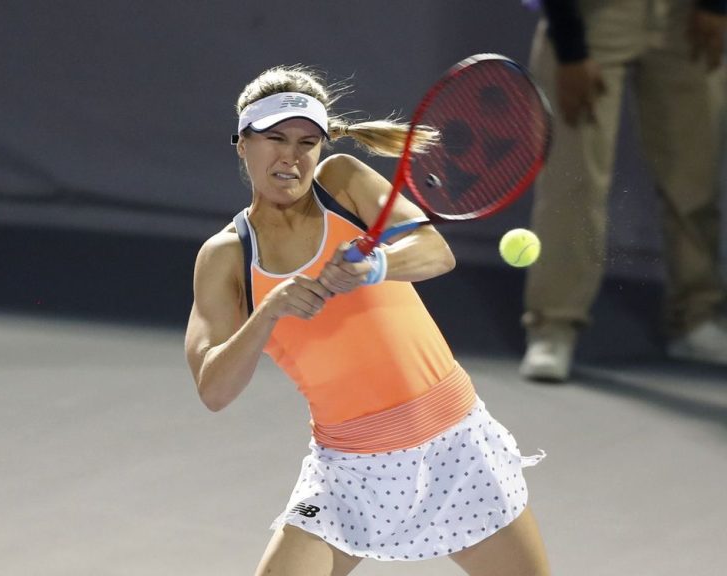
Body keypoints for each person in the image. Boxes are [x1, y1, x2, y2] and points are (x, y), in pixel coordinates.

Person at [184, 65, 550, 575]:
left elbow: (435, 252)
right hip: (350, 472)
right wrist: (269, 310)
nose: (291, 156)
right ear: (242, 144)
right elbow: (213, 389)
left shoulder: (344, 183)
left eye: (307, 142)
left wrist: (377, 266)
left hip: (457, 445)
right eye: (276, 139)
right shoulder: (226, 257)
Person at [520, 0, 727, 382]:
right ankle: (553, 326)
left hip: (686, 15)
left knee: (694, 178)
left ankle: (696, 318)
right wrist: (569, 46)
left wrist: (715, 4)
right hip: (592, 15)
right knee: (573, 181)